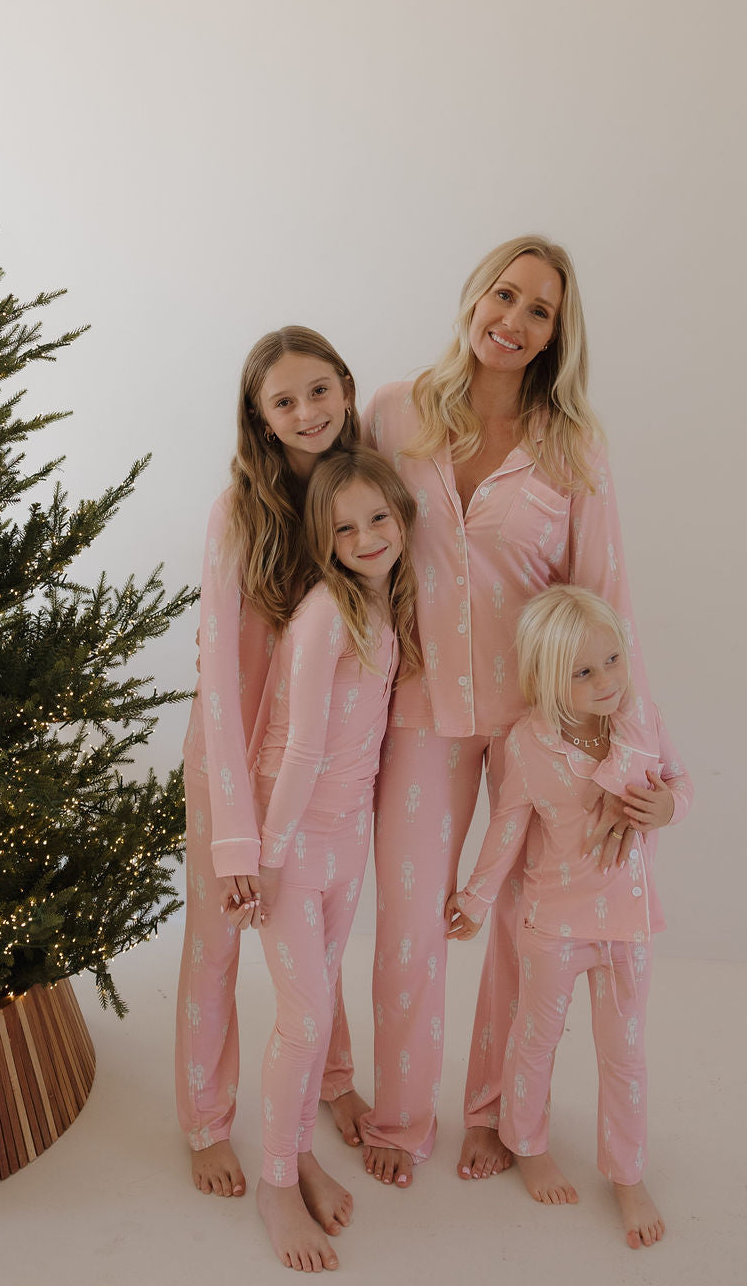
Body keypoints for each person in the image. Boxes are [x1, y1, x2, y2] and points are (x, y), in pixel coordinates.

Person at [349, 235, 649, 1188]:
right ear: (475, 295)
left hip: (541, 730)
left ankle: (493, 1114)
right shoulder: (393, 413)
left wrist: (633, 759)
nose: (514, 320)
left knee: (525, 930)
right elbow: (341, 540)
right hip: (419, 710)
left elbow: (607, 603)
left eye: (539, 310)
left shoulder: (574, 446)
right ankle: (401, 1117)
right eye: (505, 295)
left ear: (557, 333)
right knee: (411, 923)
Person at [446, 585, 691, 1249]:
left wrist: (669, 806)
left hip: (628, 927)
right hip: (554, 926)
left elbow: (681, 783)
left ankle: (628, 1174)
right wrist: (474, 899)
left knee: (625, 1055)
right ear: (548, 678)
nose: (606, 680)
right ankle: (526, 1144)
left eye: (612, 660)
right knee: (535, 1039)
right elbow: (506, 827)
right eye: (583, 672)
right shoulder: (530, 745)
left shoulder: (641, 721)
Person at [176, 326, 360, 1200]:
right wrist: (235, 831)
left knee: (317, 941)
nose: (307, 411)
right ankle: (205, 1121)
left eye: (319, 390)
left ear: (346, 388)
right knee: (215, 945)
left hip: (317, 775)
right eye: (284, 400)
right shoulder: (237, 512)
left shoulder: (360, 496)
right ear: (260, 417)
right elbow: (218, 676)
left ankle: (331, 1080)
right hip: (229, 765)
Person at [255, 448, 421, 1270]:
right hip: (292, 840)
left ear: (403, 517)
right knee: (305, 1017)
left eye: (378, 518)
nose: (366, 538)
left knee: (320, 1000)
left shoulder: (383, 608)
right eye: (344, 528)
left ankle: (301, 1154)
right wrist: (268, 856)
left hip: (346, 836)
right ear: (322, 540)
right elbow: (302, 750)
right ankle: (275, 1183)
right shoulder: (327, 614)